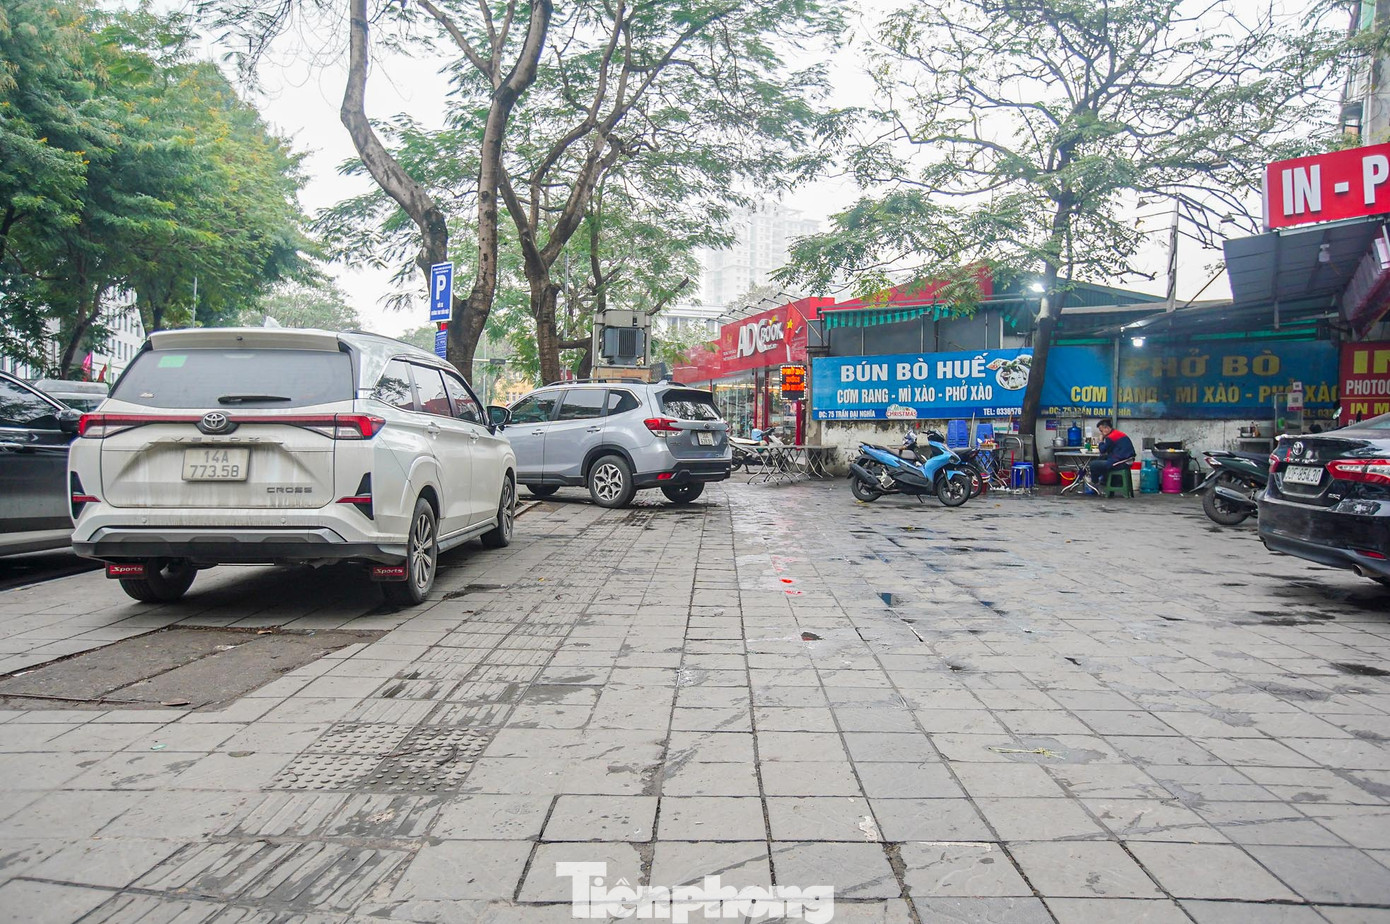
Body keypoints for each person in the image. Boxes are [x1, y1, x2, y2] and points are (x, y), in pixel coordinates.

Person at [1086, 418, 1135, 489]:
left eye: (1101, 431)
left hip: (1122, 462)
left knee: (1093, 464)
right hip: (1126, 459)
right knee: (1101, 458)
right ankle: (1104, 481)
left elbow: (1102, 450)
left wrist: (1101, 440)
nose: (1101, 433)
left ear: (1106, 428)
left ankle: (1094, 483)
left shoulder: (1111, 437)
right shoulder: (1117, 433)